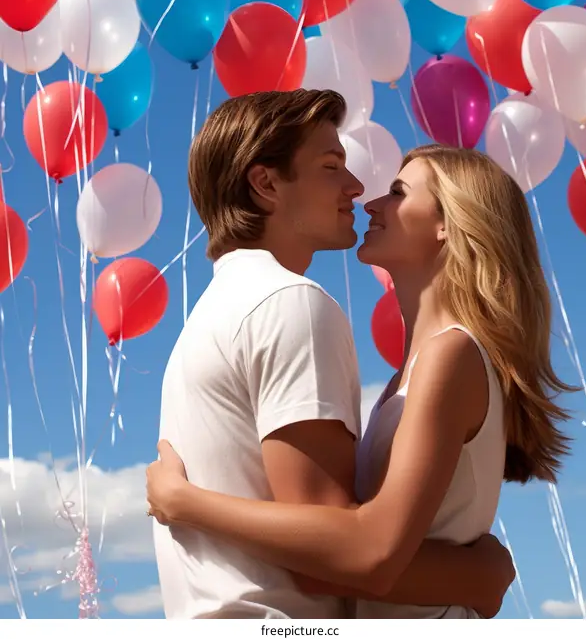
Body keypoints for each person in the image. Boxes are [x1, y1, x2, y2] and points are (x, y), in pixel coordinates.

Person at [151, 91, 515, 619]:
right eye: (330, 166)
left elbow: (352, 548)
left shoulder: (209, 320)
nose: (358, 189)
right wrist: (478, 575)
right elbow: (338, 559)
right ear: (266, 184)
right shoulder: (289, 303)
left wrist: (185, 503)